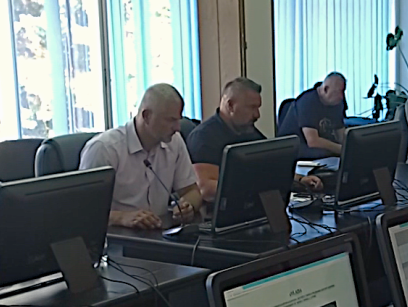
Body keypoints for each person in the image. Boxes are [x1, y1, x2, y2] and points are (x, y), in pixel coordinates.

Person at [79, 83, 202, 230]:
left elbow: (192, 191)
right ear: (146, 116)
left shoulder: (174, 142)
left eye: (178, 120)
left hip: (158, 232)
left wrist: (188, 206)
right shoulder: (104, 149)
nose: (177, 128)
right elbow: (84, 212)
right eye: (170, 120)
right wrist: (121, 217)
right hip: (117, 236)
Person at [186, 77, 321, 202]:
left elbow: (272, 166)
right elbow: (205, 188)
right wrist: (255, 187)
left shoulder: (247, 131)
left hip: (252, 207)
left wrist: (299, 180)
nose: (257, 115)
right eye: (251, 108)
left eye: (258, 108)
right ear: (230, 105)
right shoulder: (203, 137)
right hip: (222, 212)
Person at [277, 72, 347, 159]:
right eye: (339, 92)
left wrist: (349, 147)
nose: (341, 97)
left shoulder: (336, 104)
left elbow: (341, 135)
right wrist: (342, 149)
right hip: (295, 150)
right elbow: (313, 141)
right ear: (326, 89)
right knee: (329, 153)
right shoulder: (307, 102)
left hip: (318, 150)